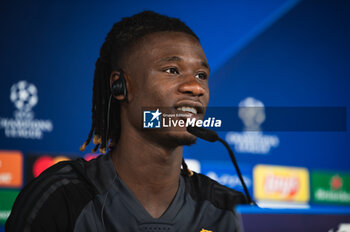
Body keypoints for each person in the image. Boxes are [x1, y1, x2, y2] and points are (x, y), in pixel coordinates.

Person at [6, 11, 247, 232]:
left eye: (201, 75)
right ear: (120, 86)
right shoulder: (59, 199)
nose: (195, 87)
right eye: (172, 70)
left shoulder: (231, 210)